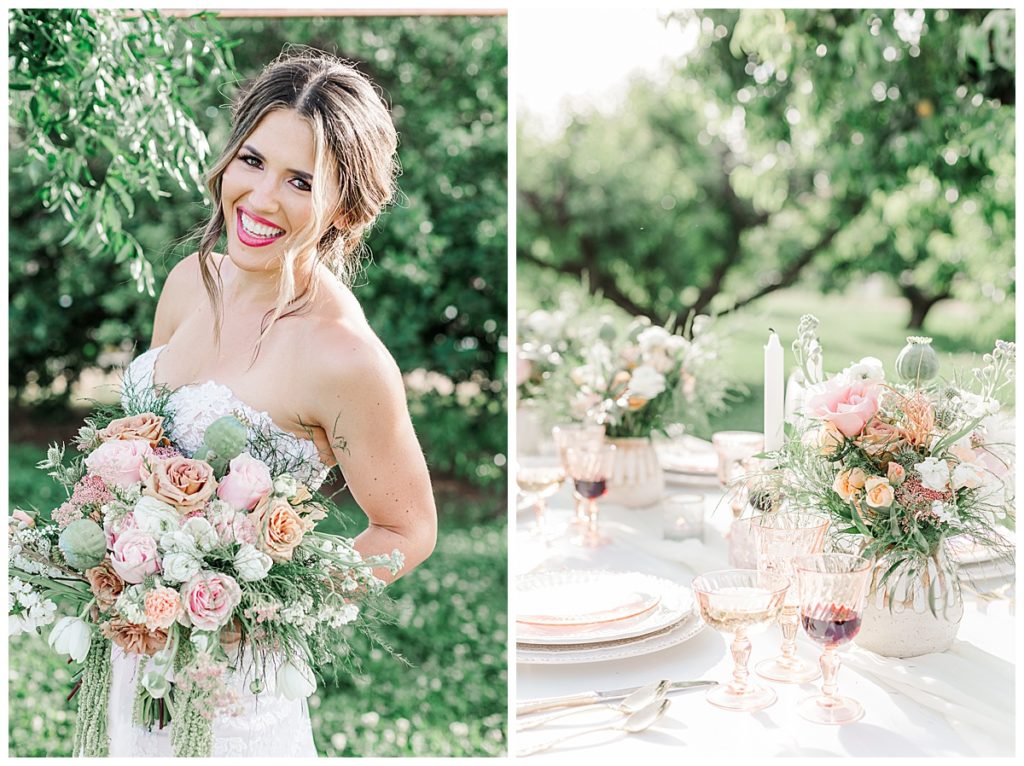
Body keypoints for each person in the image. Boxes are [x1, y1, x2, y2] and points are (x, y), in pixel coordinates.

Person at [110, 50, 438, 757]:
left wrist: (274, 610)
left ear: (345, 208)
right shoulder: (187, 284)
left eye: (299, 181)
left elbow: (407, 530)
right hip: (134, 646)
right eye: (252, 160)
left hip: (233, 689)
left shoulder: (345, 358)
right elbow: (142, 443)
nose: (259, 199)